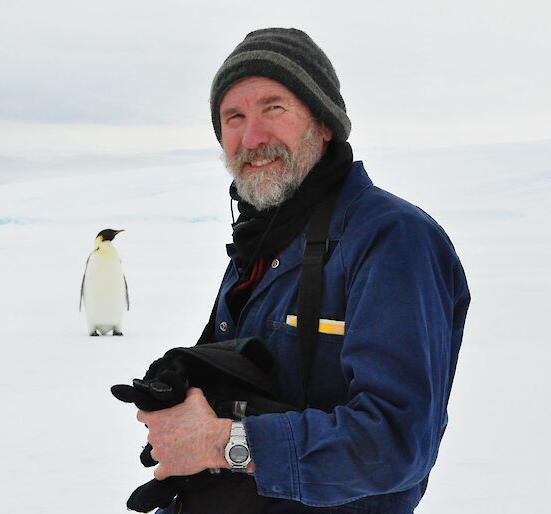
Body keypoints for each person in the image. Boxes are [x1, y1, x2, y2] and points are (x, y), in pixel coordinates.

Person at [135, 27, 470, 514]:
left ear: (325, 122)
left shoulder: (391, 239)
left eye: (273, 107)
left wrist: (222, 443)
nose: (252, 137)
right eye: (234, 117)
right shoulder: (262, 242)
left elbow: (394, 442)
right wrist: (187, 397)